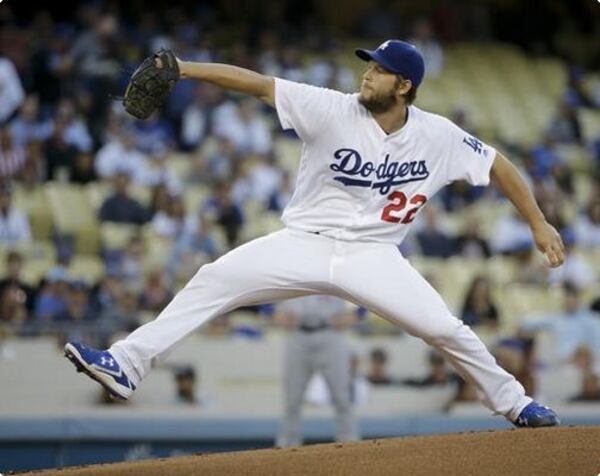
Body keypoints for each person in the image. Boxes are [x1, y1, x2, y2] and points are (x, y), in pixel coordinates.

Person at [65, 39, 566, 428]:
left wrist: (538, 223)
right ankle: (127, 364)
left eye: (378, 70)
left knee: (444, 329)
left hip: (374, 254)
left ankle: (516, 404)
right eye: (368, 66)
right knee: (213, 279)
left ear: (405, 86)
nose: (366, 75)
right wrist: (183, 69)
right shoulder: (330, 106)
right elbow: (259, 84)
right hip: (303, 242)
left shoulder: (438, 134)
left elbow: (498, 165)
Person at [273, 295, 359, 447]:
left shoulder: (335, 270)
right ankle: (287, 447)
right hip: (297, 334)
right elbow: (258, 288)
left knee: (342, 397)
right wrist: (269, 311)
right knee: (292, 399)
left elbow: (365, 291)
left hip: (331, 333)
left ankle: (350, 445)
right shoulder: (290, 271)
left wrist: (359, 314)